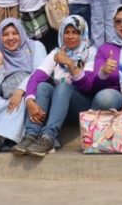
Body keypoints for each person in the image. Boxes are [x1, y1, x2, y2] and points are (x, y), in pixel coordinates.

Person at [17, 15, 97, 157]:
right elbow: (36, 77)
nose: (70, 36)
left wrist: (71, 64)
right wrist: (29, 100)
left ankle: (48, 137)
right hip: (59, 107)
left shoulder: (91, 52)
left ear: (82, 34)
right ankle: (31, 135)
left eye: (75, 32)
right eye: (67, 32)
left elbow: (88, 86)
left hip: (81, 104)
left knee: (64, 86)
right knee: (42, 86)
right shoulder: (56, 53)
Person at [0, 17, 47, 155]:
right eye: (5, 34)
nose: (10, 38)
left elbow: (39, 73)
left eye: (15, 33)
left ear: (21, 32)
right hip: (6, 96)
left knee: (19, 102)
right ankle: (5, 138)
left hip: (30, 91)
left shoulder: (36, 47)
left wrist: (20, 90)